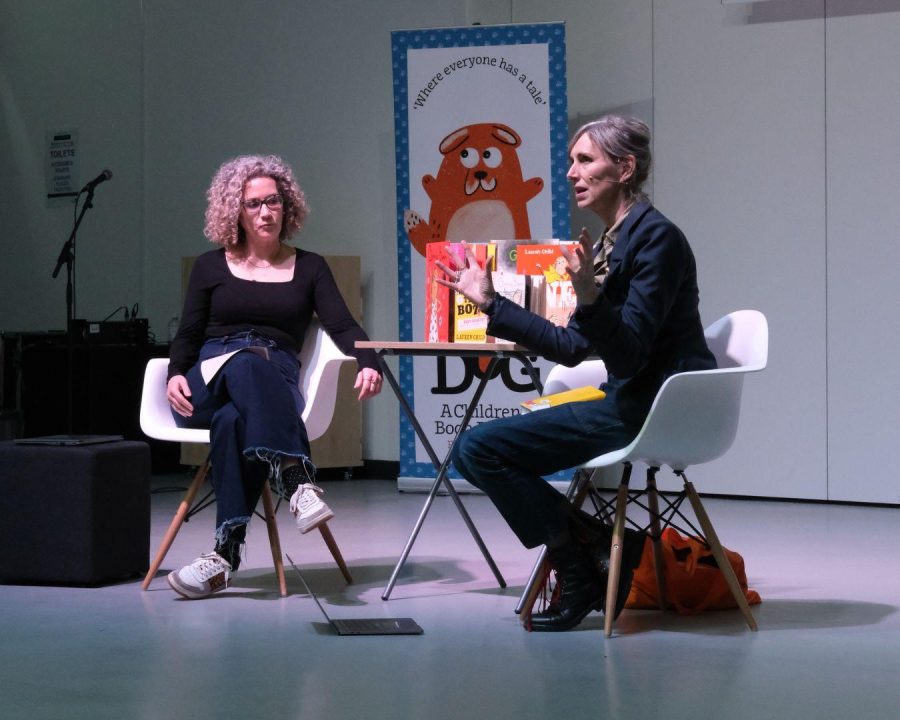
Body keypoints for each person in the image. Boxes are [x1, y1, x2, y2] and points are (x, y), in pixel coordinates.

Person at [436, 116, 716, 631]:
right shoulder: (616, 240)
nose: (570, 173)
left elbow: (629, 356)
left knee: (478, 449)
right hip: (629, 398)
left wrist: (589, 295)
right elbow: (571, 347)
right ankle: (595, 544)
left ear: (625, 168)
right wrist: (490, 302)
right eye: (571, 161)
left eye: (585, 161)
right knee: (475, 449)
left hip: (653, 409)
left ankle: (576, 564)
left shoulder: (657, 241)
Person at [165, 154, 382, 599]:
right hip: (208, 378)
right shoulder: (210, 266)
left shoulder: (310, 267)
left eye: (274, 202)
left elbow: (343, 325)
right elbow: (187, 333)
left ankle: (224, 556)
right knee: (243, 362)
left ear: (288, 207)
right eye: (253, 204)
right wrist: (172, 374)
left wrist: (370, 361)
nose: (266, 212)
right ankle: (297, 480)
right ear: (235, 211)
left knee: (234, 421)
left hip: (275, 383)